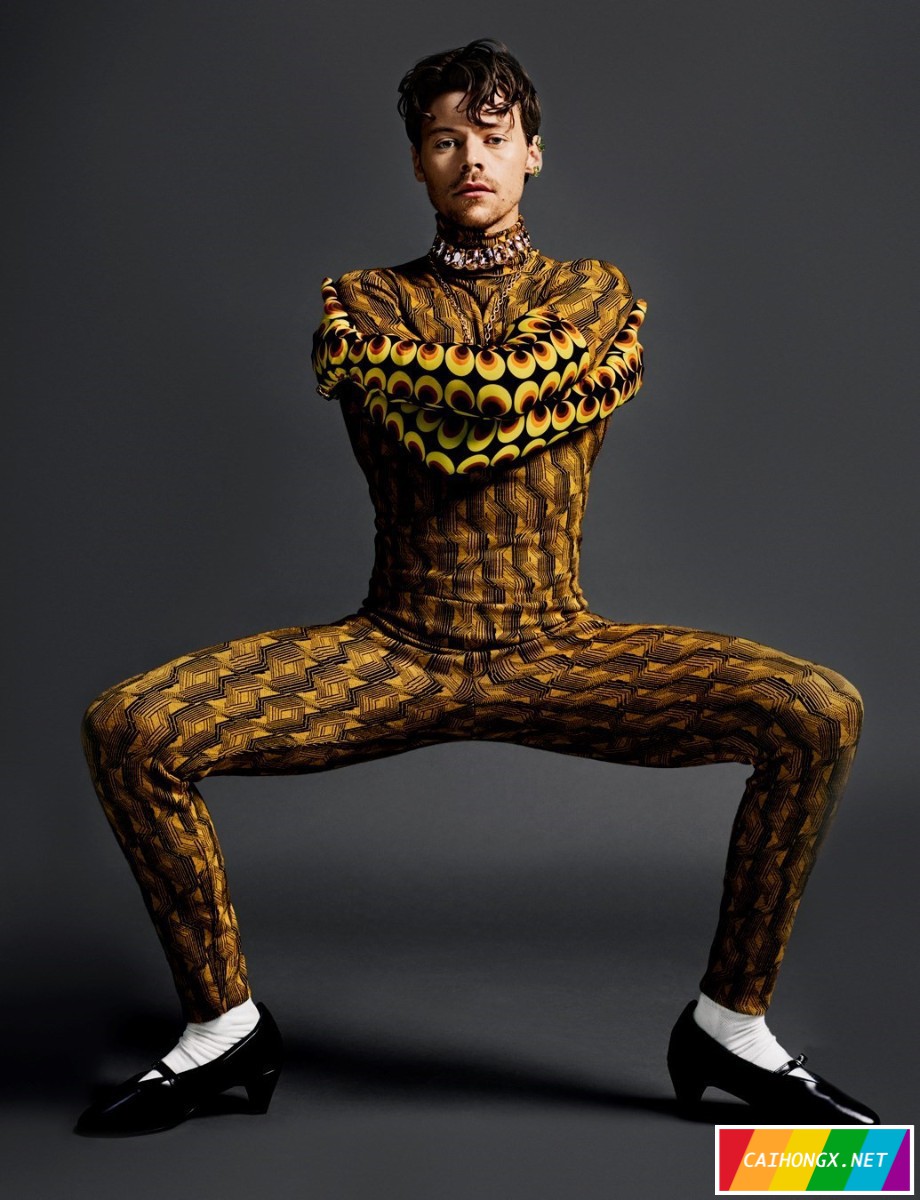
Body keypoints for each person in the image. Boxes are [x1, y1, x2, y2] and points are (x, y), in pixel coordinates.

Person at [75, 37, 879, 1136]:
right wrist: (470, 370)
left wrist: (395, 365)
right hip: (394, 651)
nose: (471, 160)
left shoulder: (587, 288)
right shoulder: (367, 295)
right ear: (417, 161)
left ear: (532, 152)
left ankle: (729, 1028)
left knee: (817, 711)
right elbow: (499, 393)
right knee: (130, 730)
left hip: (557, 649)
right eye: (445, 140)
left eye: (492, 138)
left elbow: (497, 393)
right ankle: (225, 1031)